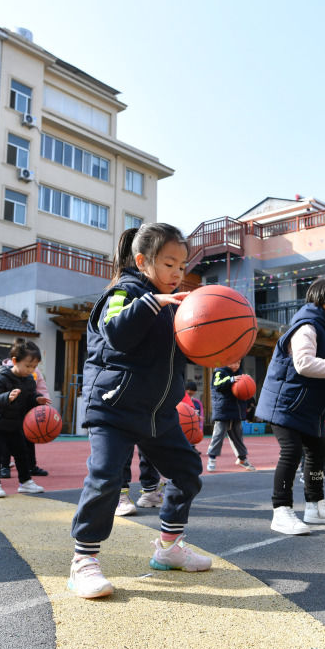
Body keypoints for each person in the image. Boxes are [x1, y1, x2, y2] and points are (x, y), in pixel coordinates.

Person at [68, 223, 211, 599]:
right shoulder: (124, 292)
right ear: (143, 260)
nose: (178, 273)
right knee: (106, 477)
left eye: (182, 265)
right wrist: (151, 304)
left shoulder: (173, 304)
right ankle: (83, 561)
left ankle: (168, 548)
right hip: (114, 405)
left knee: (187, 471)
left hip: (157, 412)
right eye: (169, 264)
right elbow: (115, 332)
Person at [255, 255, 325, 535]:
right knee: (291, 452)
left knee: (317, 451)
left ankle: (315, 506)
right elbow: (303, 364)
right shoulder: (306, 326)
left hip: (309, 408)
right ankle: (281, 511)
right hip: (286, 405)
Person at [0, 339, 50, 497]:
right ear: (14, 361)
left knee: (21, 452)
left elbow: (29, 397)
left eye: (34, 366)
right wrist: (7, 397)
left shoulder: (29, 379)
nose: (31, 369)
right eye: (28, 365)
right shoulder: (1, 376)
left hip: (14, 422)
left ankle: (25, 482)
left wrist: (37, 399)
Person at [206, 360, 255, 472]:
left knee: (238, 436)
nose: (236, 365)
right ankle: (212, 458)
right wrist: (231, 380)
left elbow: (243, 392)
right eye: (233, 363)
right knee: (218, 436)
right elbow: (217, 384)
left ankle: (242, 458)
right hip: (223, 411)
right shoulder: (219, 372)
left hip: (236, 412)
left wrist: (246, 382)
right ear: (226, 362)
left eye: (238, 363)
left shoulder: (240, 373)